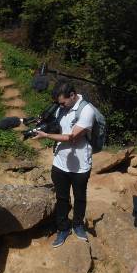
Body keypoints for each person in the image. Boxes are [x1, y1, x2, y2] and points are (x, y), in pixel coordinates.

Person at [33, 78, 96, 248]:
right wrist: (42, 125)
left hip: (80, 165)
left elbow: (72, 137)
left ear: (72, 95)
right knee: (61, 198)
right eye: (58, 103)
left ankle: (78, 224)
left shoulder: (87, 110)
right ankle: (63, 228)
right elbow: (53, 125)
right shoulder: (60, 107)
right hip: (60, 163)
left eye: (63, 103)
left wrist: (46, 136)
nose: (60, 106)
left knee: (80, 197)